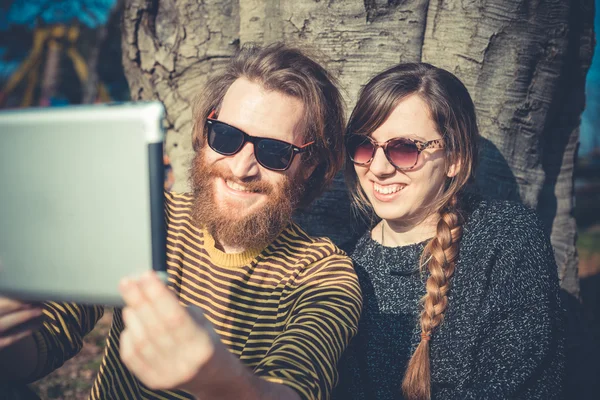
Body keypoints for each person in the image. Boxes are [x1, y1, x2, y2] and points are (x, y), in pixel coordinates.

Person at [0, 43, 362, 400]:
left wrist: (216, 381)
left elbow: (297, 386)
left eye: (274, 151)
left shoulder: (324, 276)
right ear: (205, 134)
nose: (241, 168)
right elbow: (46, 341)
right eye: (227, 137)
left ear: (310, 165)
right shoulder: (149, 218)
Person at [333, 63, 565, 400]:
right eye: (364, 146)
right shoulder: (341, 267)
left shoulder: (505, 241)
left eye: (404, 149)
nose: (379, 169)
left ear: (454, 158)